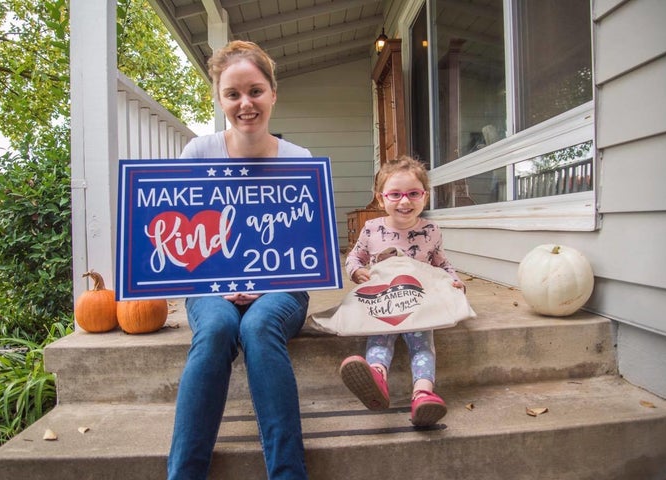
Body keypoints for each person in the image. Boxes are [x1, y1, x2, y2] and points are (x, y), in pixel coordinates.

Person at [167, 40, 311, 480]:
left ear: (272, 93)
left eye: (255, 91)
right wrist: (217, 282)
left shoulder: (300, 160)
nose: (245, 103)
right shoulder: (198, 154)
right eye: (233, 94)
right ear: (220, 99)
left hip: (279, 289)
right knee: (216, 328)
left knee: (258, 325)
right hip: (211, 287)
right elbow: (183, 243)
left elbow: (306, 250)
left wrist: (267, 283)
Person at [339, 155, 466, 427]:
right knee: (380, 336)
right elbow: (354, 258)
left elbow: (441, 264)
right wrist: (355, 272)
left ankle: (423, 394)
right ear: (381, 199)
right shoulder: (372, 229)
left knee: (422, 343)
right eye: (395, 194)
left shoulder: (430, 230)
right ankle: (375, 378)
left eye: (413, 194)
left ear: (425, 197)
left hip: (419, 301)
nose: (404, 201)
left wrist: (454, 282)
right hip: (383, 299)